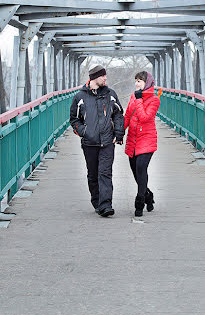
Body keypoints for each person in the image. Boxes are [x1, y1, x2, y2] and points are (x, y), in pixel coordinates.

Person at [69, 65, 125, 217]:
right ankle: (97, 202)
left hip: (107, 142)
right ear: (94, 78)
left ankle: (106, 205)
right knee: (93, 174)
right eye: (103, 76)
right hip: (89, 143)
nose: (106, 78)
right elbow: (74, 119)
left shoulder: (110, 94)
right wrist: (84, 132)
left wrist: (119, 133)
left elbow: (119, 115)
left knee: (105, 173)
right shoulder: (80, 97)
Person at [124, 71, 161, 217]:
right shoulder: (134, 96)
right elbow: (128, 115)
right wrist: (120, 133)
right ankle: (148, 195)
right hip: (133, 140)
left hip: (147, 139)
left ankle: (139, 203)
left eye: (139, 81)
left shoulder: (154, 100)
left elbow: (145, 118)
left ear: (147, 83)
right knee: (136, 173)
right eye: (136, 81)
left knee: (141, 168)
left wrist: (139, 100)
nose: (136, 83)